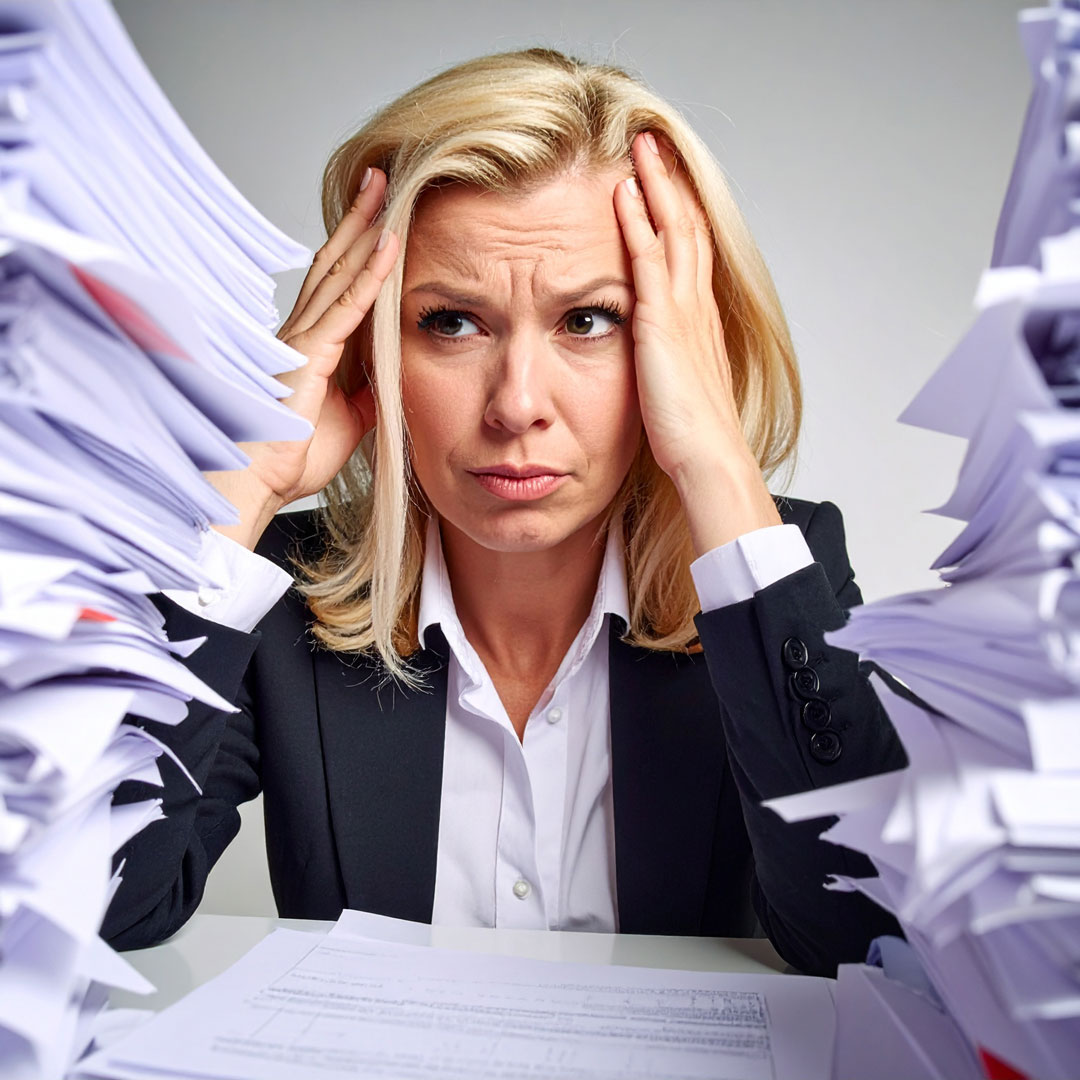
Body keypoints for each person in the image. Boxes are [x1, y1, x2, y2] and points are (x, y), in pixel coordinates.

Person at [103, 48, 905, 977]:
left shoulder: (773, 575)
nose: (517, 403)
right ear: (371, 350)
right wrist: (238, 488)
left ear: (676, 341)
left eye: (589, 320)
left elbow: (867, 936)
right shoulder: (282, 590)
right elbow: (97, 909)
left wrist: (719, 463)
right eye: (451, 322)